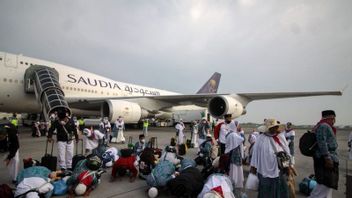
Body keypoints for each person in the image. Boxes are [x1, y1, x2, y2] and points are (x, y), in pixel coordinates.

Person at [250, 118, 290, 198]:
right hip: (264, 171)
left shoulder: (280, 137)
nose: (274, 129)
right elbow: (255, 154)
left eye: (275, 127)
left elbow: (286, 153)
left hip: (278, 170)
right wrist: (253, 168)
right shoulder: (261, 138)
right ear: (267, 128)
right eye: (272, 127)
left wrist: (288, 166)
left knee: (279, 190)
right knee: (265, 191)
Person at [309, 110, 339, 198]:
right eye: (333, 119)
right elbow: (322, 142)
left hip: (326, 158)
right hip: (325, 160)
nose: (334, 121)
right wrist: (327, 158)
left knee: (328, 186)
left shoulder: (321, 125)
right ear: (331, 118)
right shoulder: (324, 126)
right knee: (323, 186)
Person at [226, 121, 245, 194]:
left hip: (230, 153)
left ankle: (232, 182)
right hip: (235, 154)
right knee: (236, 169)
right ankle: (236, 183)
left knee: (232, 169)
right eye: (238, 125)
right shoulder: (234, 134)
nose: (239, 126)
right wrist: (242, 132)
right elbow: (242, 139)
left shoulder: (229, 133)